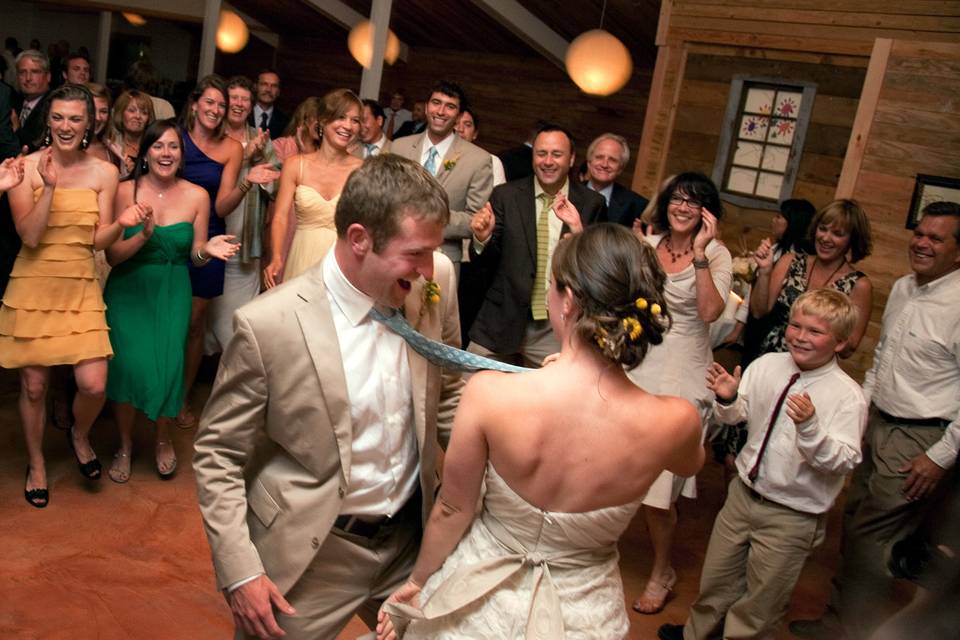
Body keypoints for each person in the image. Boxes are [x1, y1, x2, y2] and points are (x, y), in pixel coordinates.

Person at [376, 223, 704, 639]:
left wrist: (419, 582)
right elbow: (691, 463)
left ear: (568, 301)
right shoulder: (674, 421)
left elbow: (453, 510)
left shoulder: (492, 395)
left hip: (477, 603)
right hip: (581, 615)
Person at [193, 154, 464, 639]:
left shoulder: (433, 283)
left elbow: (448, 392)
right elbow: (218, 454)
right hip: (314, 552)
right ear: (359, 239)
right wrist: (240, 570)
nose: (428, 270)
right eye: (415, 254)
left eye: (432, 252)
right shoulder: (268, 325)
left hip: (410, 545)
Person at [790, 201, 960, 640]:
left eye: (936, 238)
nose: (921, 242)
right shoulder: (905, 287)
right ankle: (839, 622)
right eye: (919, 233)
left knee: (872, 539)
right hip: (878, 420)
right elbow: (884, 356)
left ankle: (852, 630)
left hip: (920, 436)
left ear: (958, 252)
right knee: (854, 523)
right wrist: (861, 411)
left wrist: (940, 456)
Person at [658, 288, 868, 640]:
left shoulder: (847, 396)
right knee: (715, 586)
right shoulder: (767, 365)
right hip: (742, 496)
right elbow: (738, 415)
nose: (800, 337)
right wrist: (727, 399)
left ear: (841, 343)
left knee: (759, 606)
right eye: (796, 326)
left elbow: (844, 461)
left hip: (791, 515)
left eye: (815, 332)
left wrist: (811, 429)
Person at [0, 84, 149, 508]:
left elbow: (98, 241)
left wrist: (120, 223)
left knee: (94, 383)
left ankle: (78, 433)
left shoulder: (103, 171)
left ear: (90, 123)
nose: (66, 127)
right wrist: (48, 187)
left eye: (75, 119)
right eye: (58, 118)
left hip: (80, 284)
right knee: (33, 386)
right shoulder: (23, 167)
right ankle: (37, 463)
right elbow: (29, 237)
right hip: (33, 283)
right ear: (48, 120)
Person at [103, 120, 239, 483]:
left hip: (173, 287)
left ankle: (163, 438)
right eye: (158, 146)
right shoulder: (123, 191)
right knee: (128, 366)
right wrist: (141, 238)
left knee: (168, 364)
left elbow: (193, 255)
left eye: (173, 147)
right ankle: (126, 444)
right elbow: (113, 257)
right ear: (146, 152)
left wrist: (206, 251)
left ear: (182, 155)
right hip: (129, 288)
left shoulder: (197, 195)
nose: (166, 153)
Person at [626, 172, 732, 614]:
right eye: (677, 199)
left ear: (707, 212)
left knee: (660, 487)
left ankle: (662, 571)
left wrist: (703, 255)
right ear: (666, 203)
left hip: (686, 374)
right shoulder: (648, 248)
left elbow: (710, 312)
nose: (683, 207)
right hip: (642, 366)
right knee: (620, 466)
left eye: (694, 201)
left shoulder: (718, 255)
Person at [177, 74, 278, 428]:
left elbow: (221, 207)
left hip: (211, 240)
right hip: (171, 239)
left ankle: (182, 396)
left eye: (222, 105)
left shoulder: (232, 149)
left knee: (193, 325)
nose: (217, 110)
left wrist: (248, 181)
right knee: (169, 322)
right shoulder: (174, 140)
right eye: (211, 102)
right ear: (194, 104)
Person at [467, 124, 606, 366]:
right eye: (541, 153)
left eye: (557, 154)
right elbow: (484, 264)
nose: (548, 161)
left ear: (572, 158)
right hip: (499, 320)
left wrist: (578, 236)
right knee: (467, 390)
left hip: (554, 328)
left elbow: (598, 271)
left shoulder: (591, 204)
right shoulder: (506, 195)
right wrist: (481, 239)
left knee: (543, 402)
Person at [205, 76, 280, 354]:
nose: (238, 104)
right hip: (211, 237)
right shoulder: (212, 138)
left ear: (252, 105)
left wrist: (258, 156)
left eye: (244, 99)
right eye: (233, 98)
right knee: (204, 325)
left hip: (245, 245)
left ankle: (231, 386)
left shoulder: (262, 141)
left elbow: (273, 187)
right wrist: (244, 157)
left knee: (236, 326)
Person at [262, 88, 363, 287]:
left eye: (355, 120)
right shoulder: (295, 164)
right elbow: (280, 217)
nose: (348, 126)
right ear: (323, 121)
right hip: (301, 258)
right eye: (341, 117)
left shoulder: (362, 171)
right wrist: (275, 257)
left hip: (342, 264)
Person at [751, 199, 873, 358]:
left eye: (837, 234)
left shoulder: (859, 285)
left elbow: (848, 349)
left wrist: (819, 335)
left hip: (814, 371)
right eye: (823, 229)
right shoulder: (790, 261)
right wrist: (765, 272)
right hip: (772, 359)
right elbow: (758, 312)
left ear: (852, 240)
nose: (826, 238)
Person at [390, 80, 493, 268]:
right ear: (427, 107)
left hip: (442, 259)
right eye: (436, 103)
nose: (441, 111)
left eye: (450, 107)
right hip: (393, 251)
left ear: (459, 116)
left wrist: (430, 219)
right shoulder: (399, 147)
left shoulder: (478, 159)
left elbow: (476, 219)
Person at [585, 132, 649, 228]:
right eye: (599, 157)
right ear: (589, 162)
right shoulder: (567, 194)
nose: (604, 164)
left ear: (620, 169)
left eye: (612, 160)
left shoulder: (637, 206)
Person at [105, 89, 155, 178]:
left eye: (144, 113)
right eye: (132, 111)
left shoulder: (154, 146)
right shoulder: (111, 147)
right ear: (121, 113)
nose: (138, 116)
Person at [454, 107, 505, 186]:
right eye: (455, 124)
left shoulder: (491, 162)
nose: (460, 129)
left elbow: (499, 197)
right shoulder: (434, 156)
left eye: (467, 125)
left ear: (475, 134)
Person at [14, 49, 52, 152]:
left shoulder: (54, 106)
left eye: (35, 72)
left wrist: (17, 129)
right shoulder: (13, 101)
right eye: (22, 72)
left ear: (48, 77)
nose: (28, 78)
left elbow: (42, 146)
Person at [83, 82, 117, 166]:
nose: (97, 117)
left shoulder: (112, 151)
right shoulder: (66, 147)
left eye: (103, 111)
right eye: (92, 110)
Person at [249, 69, 287, 139]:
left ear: (278, 91)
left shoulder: (285, 121)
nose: (268, 90)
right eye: (264, 84)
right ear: (255, 87)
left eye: (274, 86)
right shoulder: (245, 113)